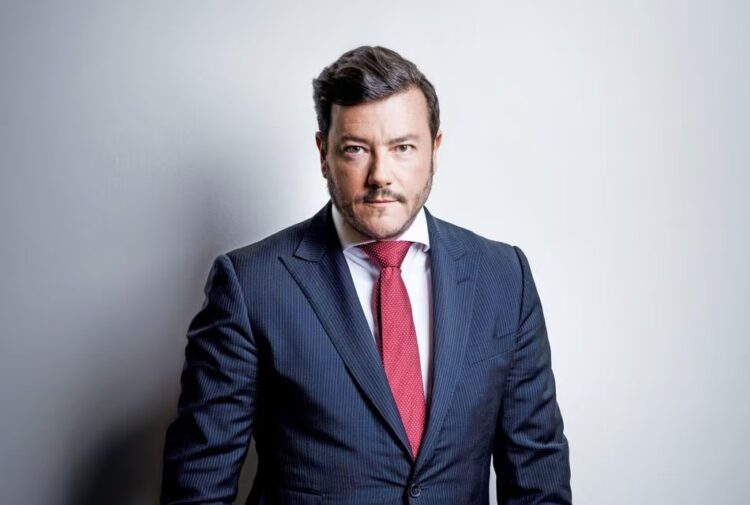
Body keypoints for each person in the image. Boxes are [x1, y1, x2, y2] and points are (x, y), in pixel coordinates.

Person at [161, 45, 571, 505]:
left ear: (434, 150)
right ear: (324, 153)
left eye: (403, 148)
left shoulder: (504, 277)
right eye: (356, 149)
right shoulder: (250, 285)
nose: (381, 175)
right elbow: (196, 490)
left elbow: (538, 481)